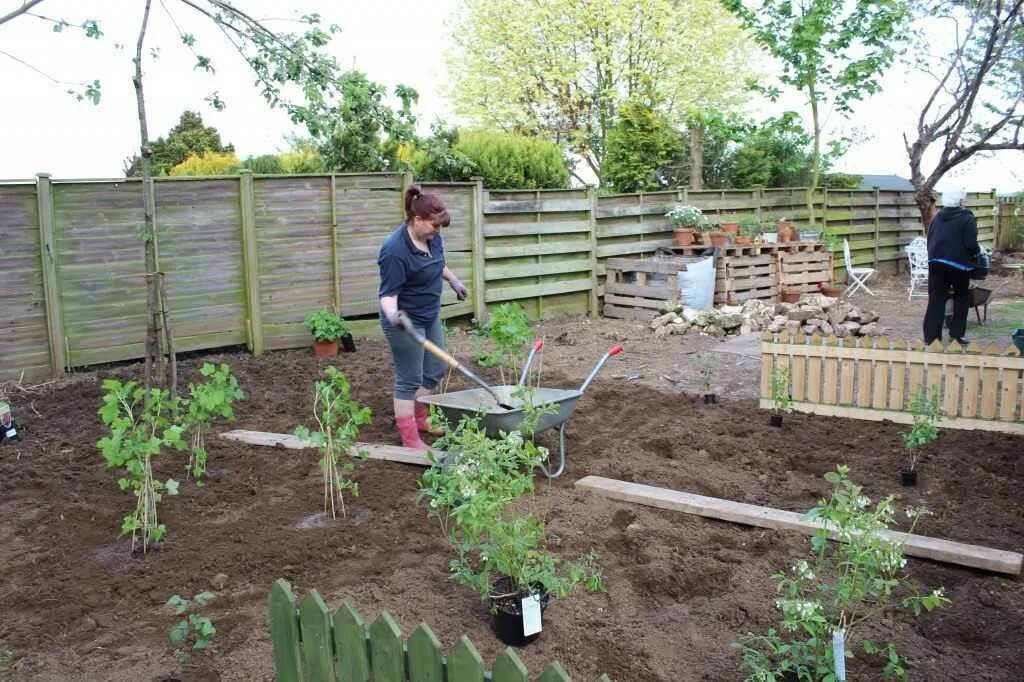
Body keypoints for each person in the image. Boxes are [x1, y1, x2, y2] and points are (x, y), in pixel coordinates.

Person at [378, 185, 468, 450]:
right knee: (409, 379)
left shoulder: (431, 238)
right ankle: (409, 439)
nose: (437, 232)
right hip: (405, 320)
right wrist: (395, 316)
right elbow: (387, 294)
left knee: (435, 368)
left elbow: (437, 263)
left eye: (439, 228)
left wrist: (454, 281)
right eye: (433, 226)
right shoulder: (394, 250)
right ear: (417, 220)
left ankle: (421, 419)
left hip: (429, 314)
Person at [922, 186, 979, 345]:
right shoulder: (967, 218)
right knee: (961, 298)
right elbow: (971, 244)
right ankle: (957, 334)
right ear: (961, 201)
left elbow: (930, 240)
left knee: (936, 300)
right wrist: (976, 255)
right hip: (959, 266)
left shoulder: (937, 218)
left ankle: (932, 338)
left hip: (936, 264)